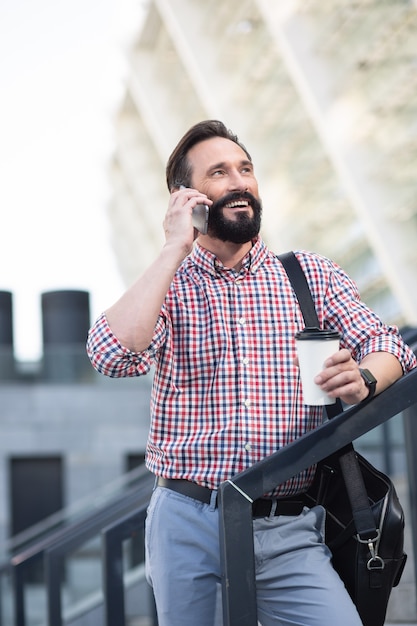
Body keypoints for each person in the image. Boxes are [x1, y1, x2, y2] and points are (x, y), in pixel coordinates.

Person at [87, 120, 416, 626]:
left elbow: (390, 345)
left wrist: (367, 378)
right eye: (219, 172)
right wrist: (174, 247)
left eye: (246, 169)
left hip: (290, 529)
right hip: (187, 525)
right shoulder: (169, 286)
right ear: (187, 196)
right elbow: (111, 354)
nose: (239, 181)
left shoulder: (309, 274)